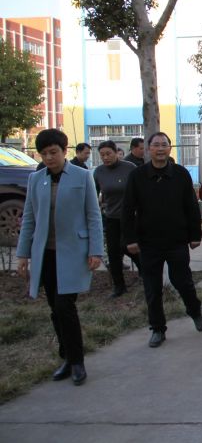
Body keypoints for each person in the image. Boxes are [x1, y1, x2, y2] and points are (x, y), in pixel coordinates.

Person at [16, 128, 104, 386]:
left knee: (65, 306)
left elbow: (93, 215)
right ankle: (66, 357)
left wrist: (95, 250)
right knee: (55, 309)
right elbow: (29, 218)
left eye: (53, 152)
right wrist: (22, 254)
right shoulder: (36, 179)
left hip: (74, 253)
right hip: (46, 254)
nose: (49, 158)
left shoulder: (82, 176)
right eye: (44, 153)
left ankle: (77, 361)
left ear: (65, 151)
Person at [122, 132, 202, 348]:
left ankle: (195, 311)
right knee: (152, 287)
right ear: (148, 149)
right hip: (148, 242)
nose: (160, 149)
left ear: (170, 148)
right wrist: (130, 239)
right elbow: (128, 209)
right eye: (156, 145)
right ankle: (157, 328)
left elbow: (191, 206)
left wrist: (195, 235)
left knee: (183, 281)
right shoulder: (137, 175)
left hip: (176, 240)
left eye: (164, 145)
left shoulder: (180, 174)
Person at [93, 140, 139, 297]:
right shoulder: (99, 172)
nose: (105, 157)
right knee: (113, 252)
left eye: (108, 154)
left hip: (130, 217)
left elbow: (139, 190)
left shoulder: (129, 168)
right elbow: (93, 194)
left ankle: (145, 273)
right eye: (102, 155)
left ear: (116, 152)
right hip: (111, 217)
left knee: (128, 247)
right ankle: (119, 286)